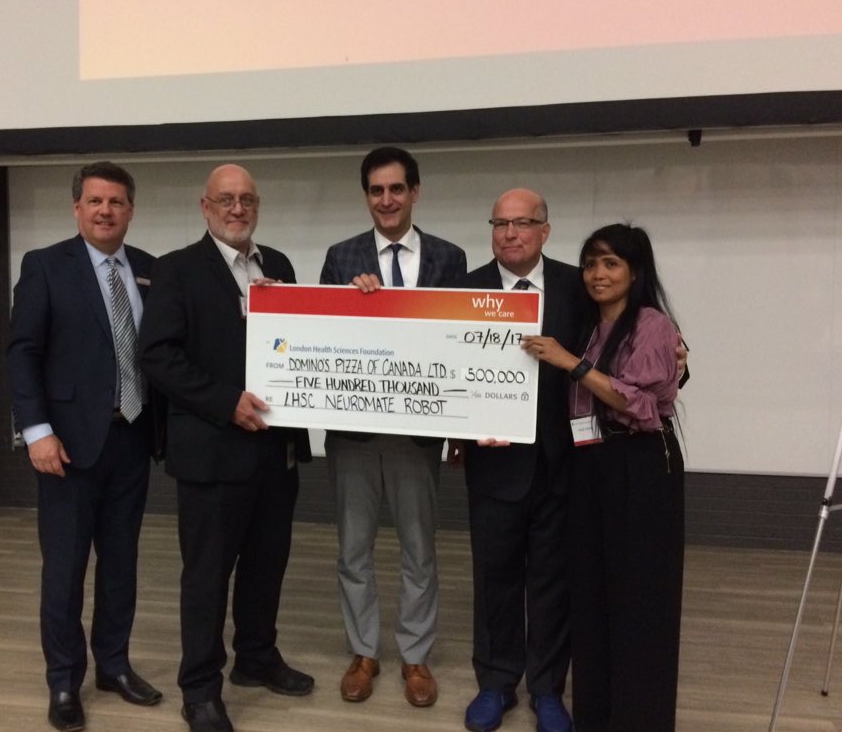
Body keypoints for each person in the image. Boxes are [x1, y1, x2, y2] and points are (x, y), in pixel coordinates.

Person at [138, 164, 314, 732]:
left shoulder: (278, 264)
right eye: (226, 200)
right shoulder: (177, 269)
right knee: (207, 576)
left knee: (267, 565)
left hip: (275, 452)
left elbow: (300, 344)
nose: (237, 209)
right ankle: (200, 688)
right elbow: (157, 355)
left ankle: (256, 658)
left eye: (247, 200)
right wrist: (225, 401)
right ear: (205, 207)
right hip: (212, 453)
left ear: (257, 206)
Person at [6, 161, 163, 732]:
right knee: (66, 570)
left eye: (116, 201)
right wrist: (37, 432)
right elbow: (22, 352)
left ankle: (113, 666)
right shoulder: (45, 266)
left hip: (133, 438)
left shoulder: (149, 269)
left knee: (121, 564)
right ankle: (64, 681)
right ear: (76, 208)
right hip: (66, 448)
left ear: (130, 210)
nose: (105, 211)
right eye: (95, 201)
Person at [319, 146, 467, 708]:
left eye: (397, 189)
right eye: (376, 190)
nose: (387, 200)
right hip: (353, 434)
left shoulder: (449, 257)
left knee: (419, 550)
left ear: (415, 192)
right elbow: (321, 337)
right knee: (353, 549)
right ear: (366, 196)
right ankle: (363, 652)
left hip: (418, 433)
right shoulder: (341, 257)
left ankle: (415, 655)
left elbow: (460, 344)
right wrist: (349, 305)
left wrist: (464, 425)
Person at [522, 223, 685, 732]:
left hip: (640, 467)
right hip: (590, 465)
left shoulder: (652, 324)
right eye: (591, 263)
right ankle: (595, 714)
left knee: (639, 597)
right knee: (591, 593)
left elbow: (637, 402)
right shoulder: (590, 325)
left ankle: (639, 718)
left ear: (635, 272)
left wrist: (570, 363)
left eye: (611, 263)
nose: (598, 274)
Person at [453, 188, 580, 732]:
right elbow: (444, 368)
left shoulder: (578, 285)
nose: (509, 233)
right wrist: (461, 425)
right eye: (500, 224)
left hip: (562, 463)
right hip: (493, 466)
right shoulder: (465, 290)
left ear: (544, 231)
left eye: (522, 223)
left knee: (553, 580)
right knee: (495, 578)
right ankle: (496, 682)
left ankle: (547, 689)